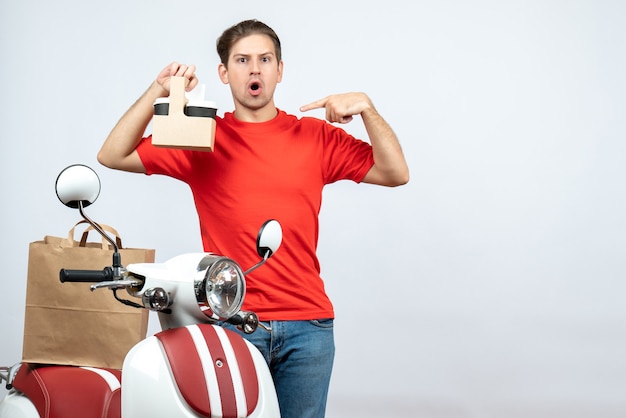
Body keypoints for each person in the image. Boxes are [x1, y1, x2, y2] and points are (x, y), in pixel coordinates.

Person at [98, 19, 409, 418]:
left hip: (307, 326)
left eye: (265, 59)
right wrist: (159, 91)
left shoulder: (315, 137)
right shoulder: (202, 138)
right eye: (243, 60)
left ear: (280, 70)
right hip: (231, 321)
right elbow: (113, 155)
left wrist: (367, 108)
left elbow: (396, 173)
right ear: (224, 73)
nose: (255, 69)